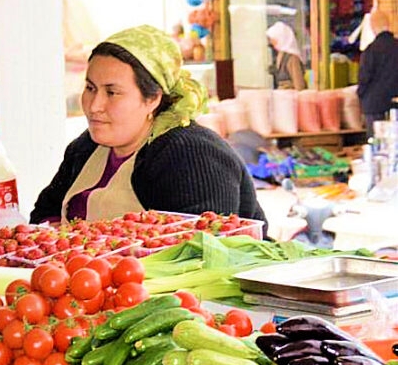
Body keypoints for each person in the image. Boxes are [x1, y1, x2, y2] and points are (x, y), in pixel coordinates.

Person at [30, 25, 266, 226]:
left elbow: (200, 249)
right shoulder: (86, 147)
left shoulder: (189, 152)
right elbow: (42, 215)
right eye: (90, 88)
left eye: (112, 92)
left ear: (153, 98)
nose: (94, 106)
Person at [357, 10, 398, 136]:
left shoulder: (370, 50)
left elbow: (364, 78)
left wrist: (360, 94)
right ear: (389, 24)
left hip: (374, 104)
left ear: (373, 27)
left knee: (376, 142)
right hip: (395, 102)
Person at [266, 21, 307, 90]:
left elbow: (299, 85)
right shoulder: (280, 56)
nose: (271, 42)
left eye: (273, 39)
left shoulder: (292, 58)